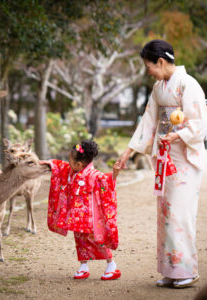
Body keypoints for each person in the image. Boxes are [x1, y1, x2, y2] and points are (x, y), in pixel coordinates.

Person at [115, 39, 207, 288]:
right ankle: (171, 269)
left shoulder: (189, 85)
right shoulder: (159, 88)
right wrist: (127, 153)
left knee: (180, 213)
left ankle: (188, 270)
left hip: (185, 158)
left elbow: (199, 124)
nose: (149, 72)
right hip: (165, 157)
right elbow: (148, 122)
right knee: (165, 213)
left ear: (161, 61)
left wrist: (179, 134)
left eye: (149, 66)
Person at [42, 140, 121, 280]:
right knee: (80, 241)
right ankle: (83, 266)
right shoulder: (71, 171)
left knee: (98, 240)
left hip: (90, 217)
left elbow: (106, 182)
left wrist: (114, 174)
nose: (68, 163)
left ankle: (111, 265)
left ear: (79, 164)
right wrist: (49, 163)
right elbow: (60, 166)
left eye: (70, 161)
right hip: (76, 216)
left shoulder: (94, 175)